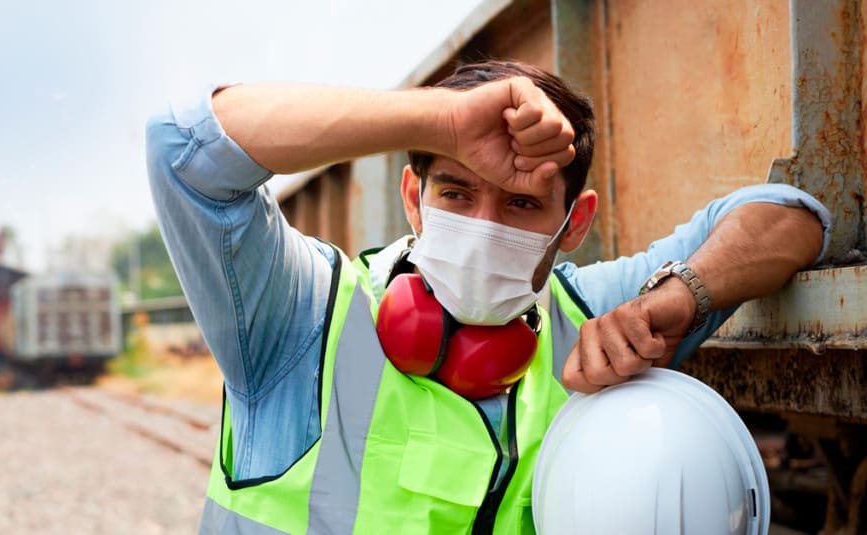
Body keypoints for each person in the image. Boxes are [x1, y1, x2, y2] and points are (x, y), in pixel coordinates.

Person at [145, 60, 830, 534]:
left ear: (575, 225)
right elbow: (182, 145)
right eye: (456, 191)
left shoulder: (592, 317)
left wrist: (680, 295)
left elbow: (793, 216)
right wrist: (440, 119)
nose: (483, 228)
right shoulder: (301, 316)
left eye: (522, 202)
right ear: (413, 199)